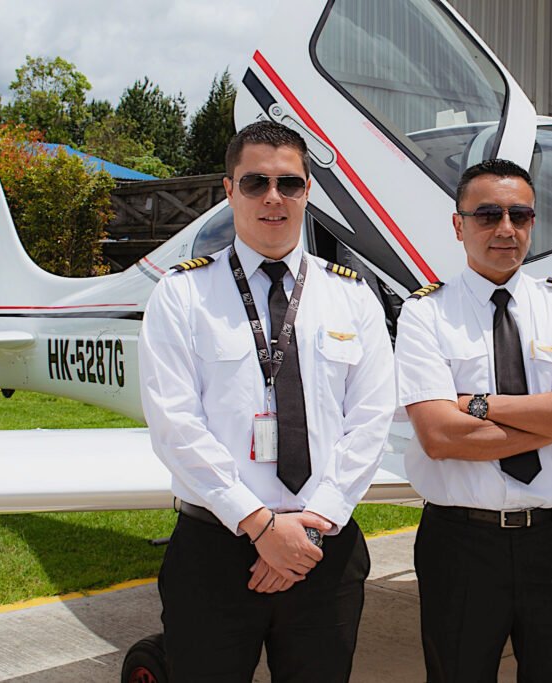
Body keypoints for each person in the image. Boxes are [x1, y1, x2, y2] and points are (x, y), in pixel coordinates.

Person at [138, 121, 395, 682]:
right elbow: (175, 424)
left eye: (289, 183)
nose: (273, 197)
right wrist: (258, 525)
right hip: (215, 550)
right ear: (229, 190)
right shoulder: (182, 295)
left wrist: (308, 526)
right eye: (255, 183)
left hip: (322, 549)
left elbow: (372, 421)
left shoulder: (353, 296)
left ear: (308, 191)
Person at [394, 158, 552, 682]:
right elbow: (440, 436)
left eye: (520, 215)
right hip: (461, 546)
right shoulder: (425, 314)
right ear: (458, 225)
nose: (506, 229)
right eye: (488, 215)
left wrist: (478, 404)